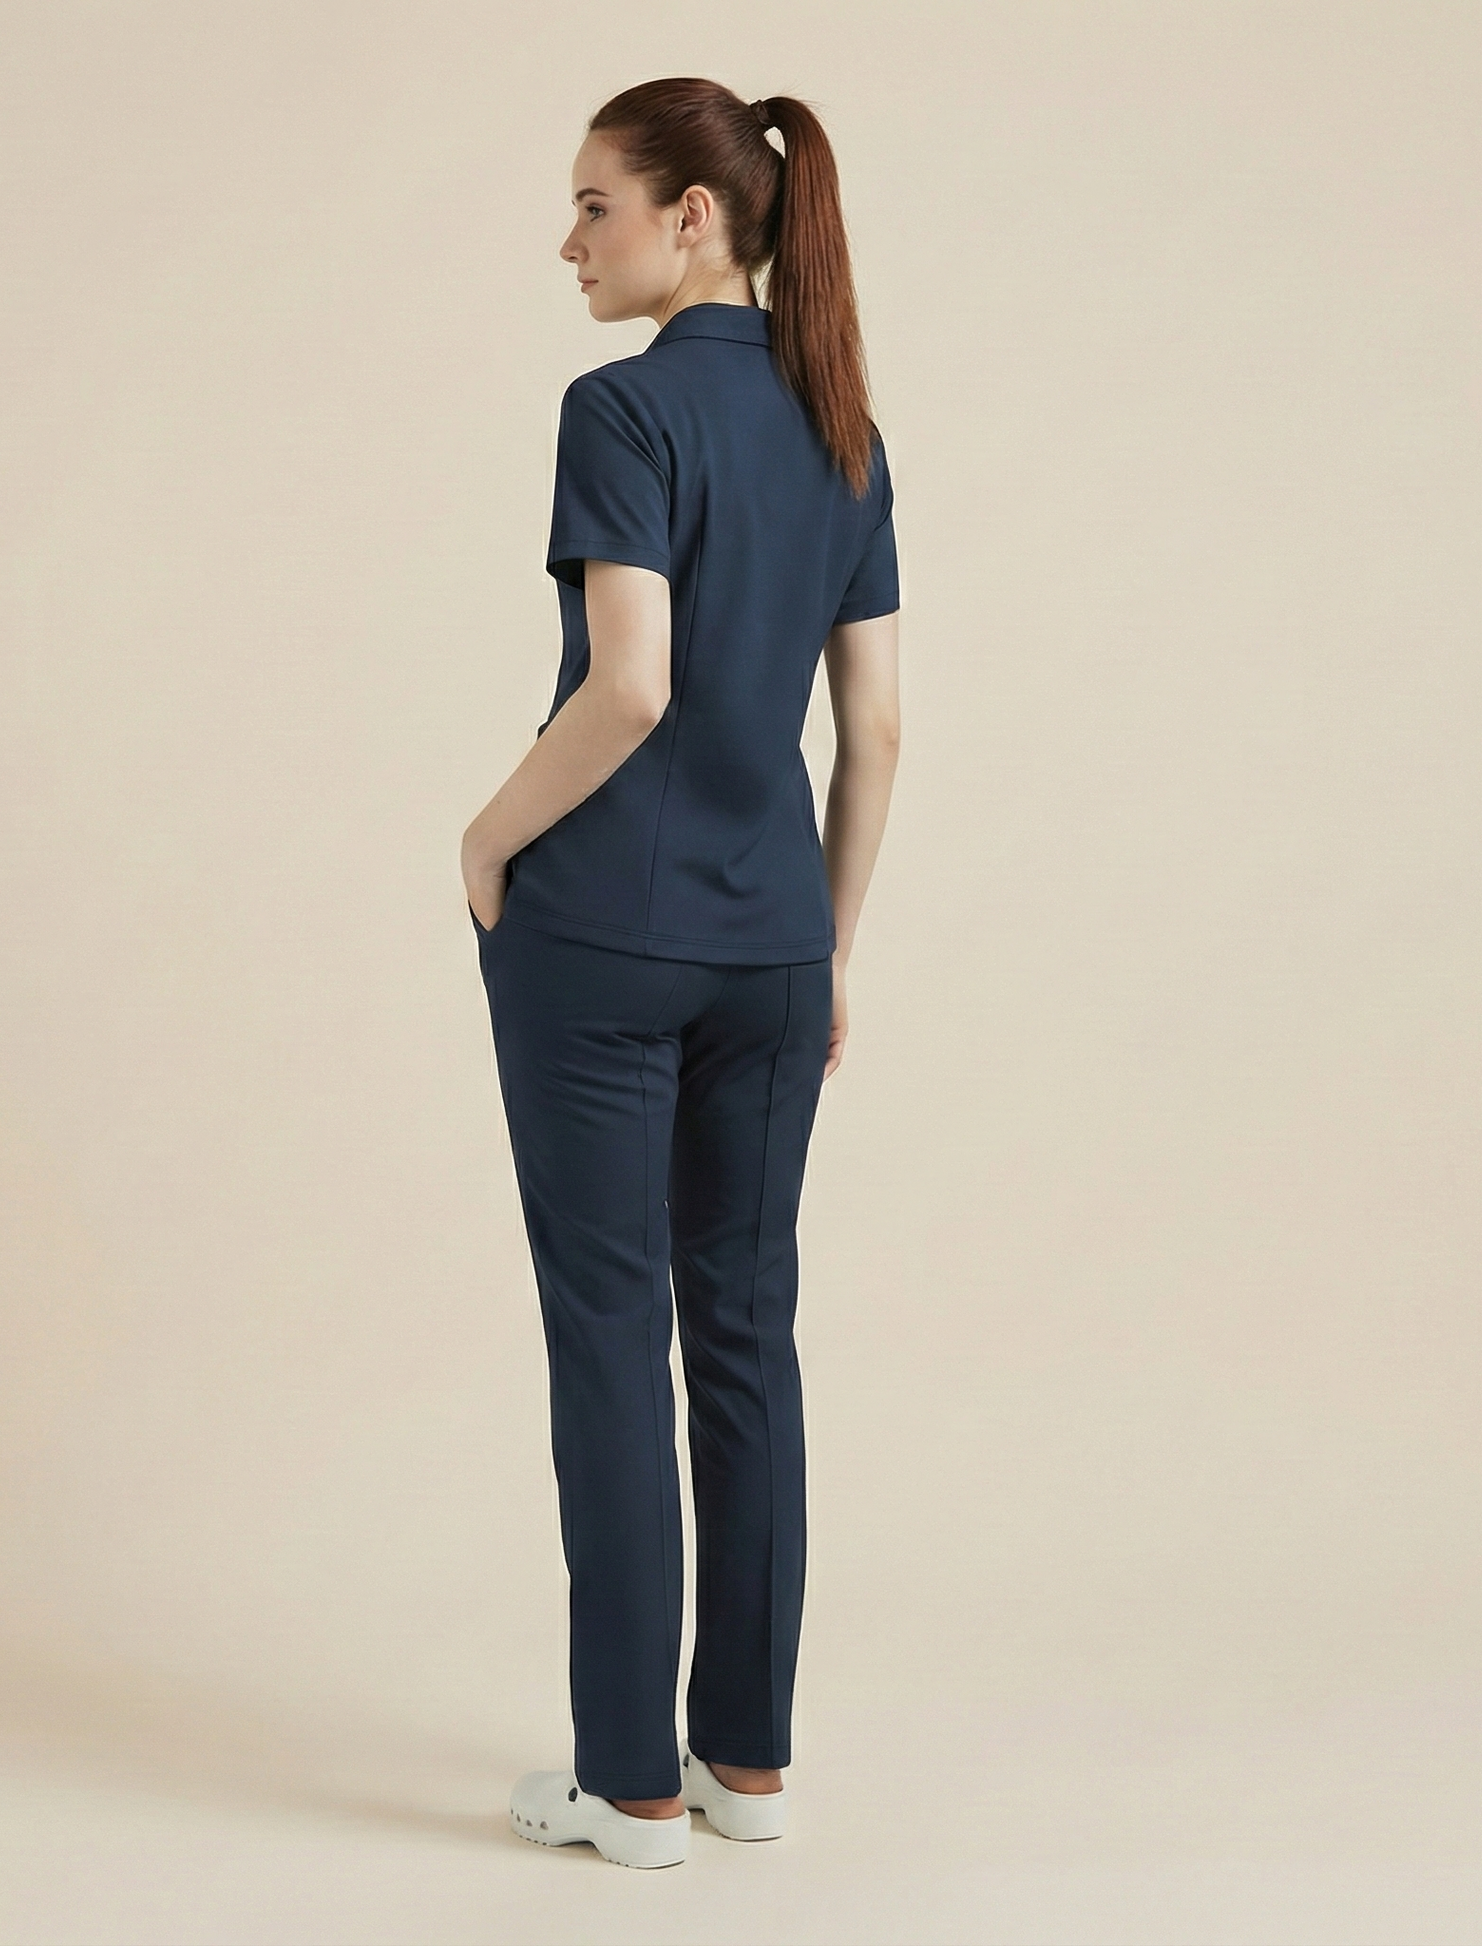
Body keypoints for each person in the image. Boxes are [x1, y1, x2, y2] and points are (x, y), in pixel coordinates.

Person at [460, 76, 901, 1871]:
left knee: (606, 1334)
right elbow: (876, 727)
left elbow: (626, 684)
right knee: (744, 1333)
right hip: (774, 948)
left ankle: (628, 1783)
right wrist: (828, 944)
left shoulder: (622, 407)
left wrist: (485, 836)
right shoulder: (843, 427)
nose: (569, 242)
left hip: (603, 934)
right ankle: (747, 1762)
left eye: (594, 205)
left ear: (693, 217)